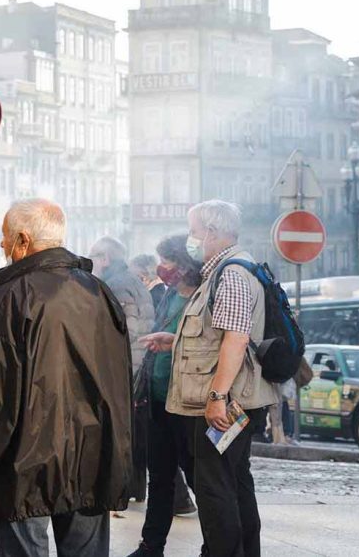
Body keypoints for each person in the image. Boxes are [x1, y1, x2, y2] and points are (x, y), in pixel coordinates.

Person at [0, 199, 132, 557]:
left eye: (5, 237)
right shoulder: (99, 292)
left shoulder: (10, 298)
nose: (1, 246)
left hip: (23, 462)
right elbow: (119, 385)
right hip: (91, 455)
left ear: (23, 240)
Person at [146, 200, 278, 557]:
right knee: (235, 481)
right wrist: (176, 343)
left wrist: (217, 397)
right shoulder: (226, 270)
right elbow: (219, 337)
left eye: (194, 231)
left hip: (227, 401)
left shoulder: (231, 273)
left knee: (215, 486)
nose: (192, 239)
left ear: (213, 233)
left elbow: (235, 339)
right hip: (233, 396)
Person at [127, 235, 201, 557]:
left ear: (184, 264)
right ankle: (150, 546)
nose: (163, 268)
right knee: (159, 478)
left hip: (187, 401)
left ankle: (216, 544)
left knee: (200, 478)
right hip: (158, 398)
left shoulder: (201, 297)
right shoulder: (169, 295)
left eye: (167, 262)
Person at [90, 236, 155, 374]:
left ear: (104, 259)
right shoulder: (132, 280)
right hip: (138, 364)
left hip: (123, 367)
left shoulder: (116, 286)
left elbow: (125, 331)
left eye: (92, 257)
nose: (90, 263)